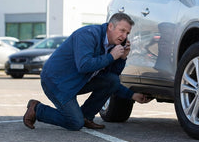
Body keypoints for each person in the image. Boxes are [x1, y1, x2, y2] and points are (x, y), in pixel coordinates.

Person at [23, 13, 151, 130]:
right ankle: (37, 109)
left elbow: (111, 78)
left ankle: (86, 117)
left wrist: (122, 60)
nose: (124, 36)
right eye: (122, 30)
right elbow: (84, 66)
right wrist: (111, 56)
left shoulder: (112, 47)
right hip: (57, 82)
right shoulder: (88, 35)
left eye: (127, 33)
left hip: (77, 82)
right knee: (75, 123)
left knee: (111, 80)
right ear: (110, 26)